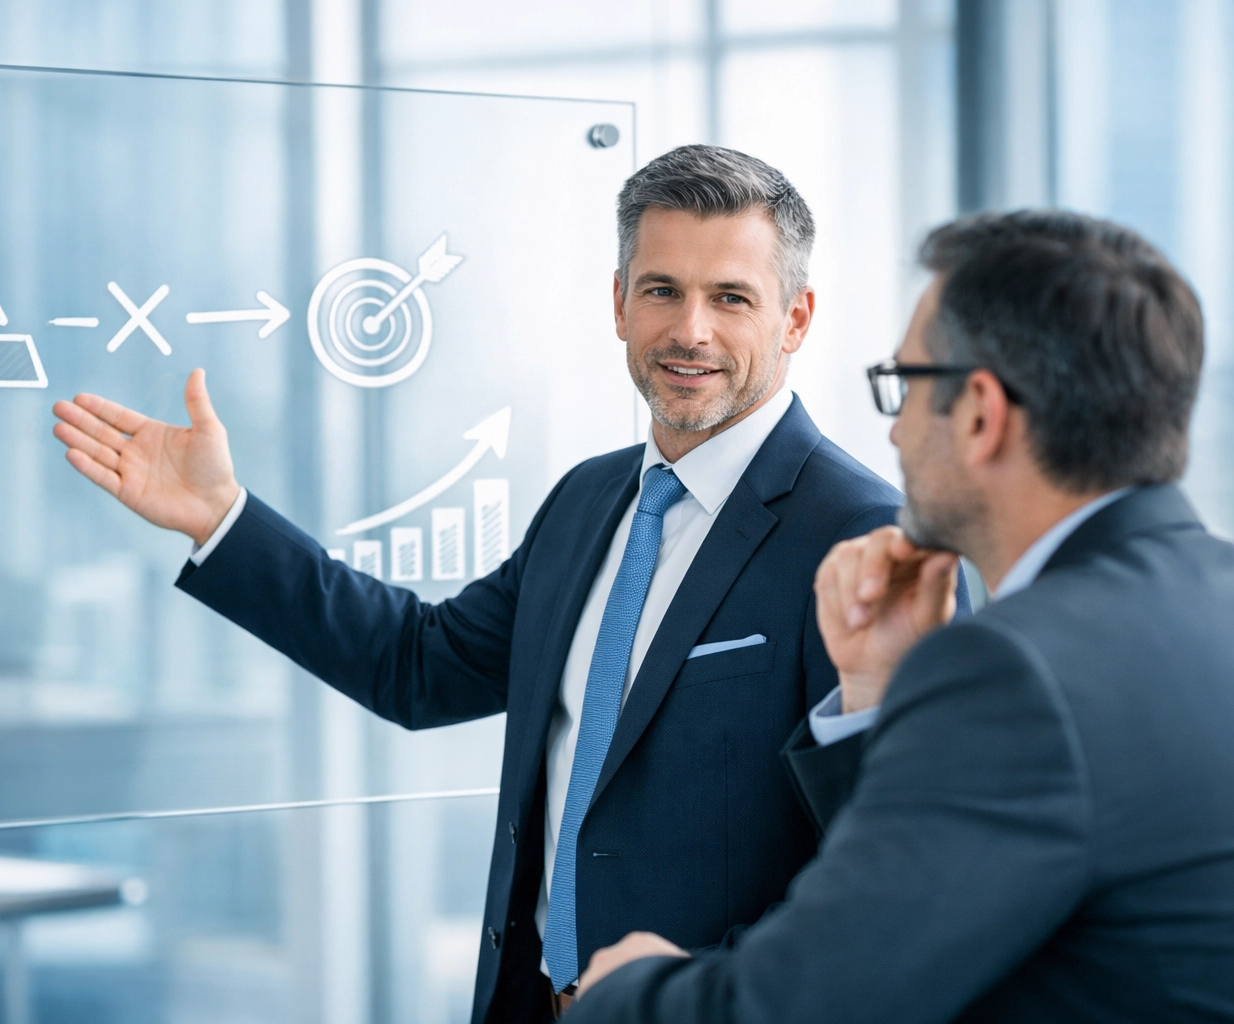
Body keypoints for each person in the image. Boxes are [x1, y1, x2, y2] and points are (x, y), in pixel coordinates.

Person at [52, 145, 963, 1024]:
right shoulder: (590, 499)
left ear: (796, 318)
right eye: (662, 291)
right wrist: (222, 520)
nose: (691, 330)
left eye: (732, 297)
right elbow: (418, 666)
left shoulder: (867, 540)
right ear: (618, 304)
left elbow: (885, 860)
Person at [567, 210, 1234, 1024]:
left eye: (907, 386)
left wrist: (619, 990)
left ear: (981, 414)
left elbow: (805, 1004)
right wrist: (882, 690)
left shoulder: (1013, 671)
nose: (895, 429)